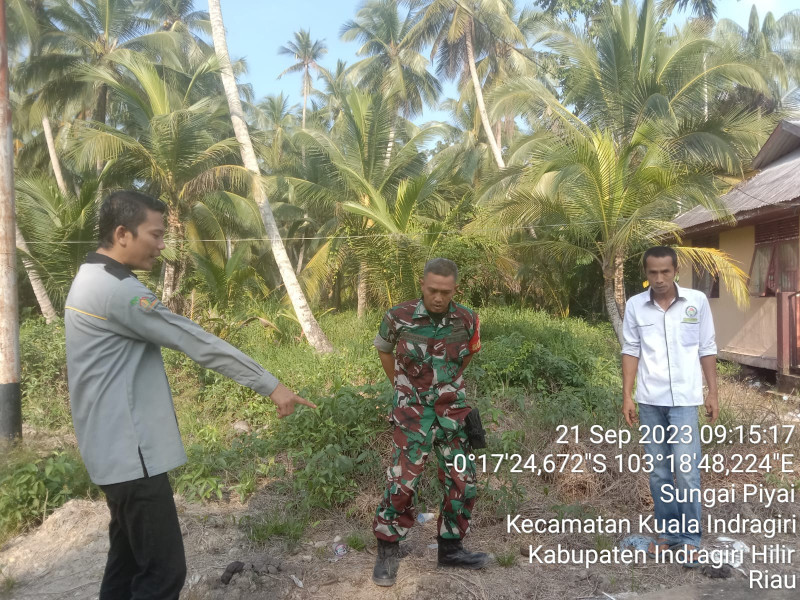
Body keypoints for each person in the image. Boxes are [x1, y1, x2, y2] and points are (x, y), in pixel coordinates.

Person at [64, 190, 316, 600]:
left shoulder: (90, 278)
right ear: (123, 234)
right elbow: (193, 340)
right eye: (156, 234)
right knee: (164, 573)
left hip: (110, 451)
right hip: (132, 456)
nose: (162, 246)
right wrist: (271, 384)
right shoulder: (118, 291)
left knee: (126, 564)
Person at [371, 258, 489, 587]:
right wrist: (403, 388)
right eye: (433, 290)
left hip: (452, 411)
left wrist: (446, 384)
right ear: (422, 286)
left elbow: (467, 354)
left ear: (455, 290)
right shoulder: (398, 317)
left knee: (462, 481)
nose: (438, 297)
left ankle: (451, 548)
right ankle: (388, 550)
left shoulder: (467, 319)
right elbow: (384, 350)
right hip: (412, 412)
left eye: (445, 292)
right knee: (403, 483)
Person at [621, 245, 718, 568]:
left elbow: (707, 347)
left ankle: (691, 539)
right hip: (650, 401)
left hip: (686, 402)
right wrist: (627, 395)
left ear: (676, 271)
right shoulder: (636, 306)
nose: (659, 278)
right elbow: (631, 350)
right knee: (660, 473)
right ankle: (669, 534)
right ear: (645, 274)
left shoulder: (697, 303)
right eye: (653, 273)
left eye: (665, 272)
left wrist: (712, 393)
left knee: (687, 472)